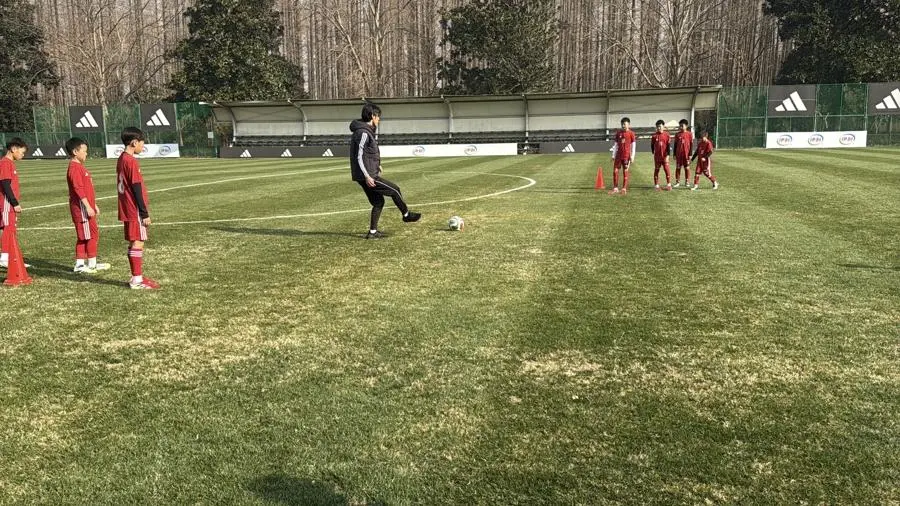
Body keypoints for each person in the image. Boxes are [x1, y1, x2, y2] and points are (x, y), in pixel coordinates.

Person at [349, 103, 421, 238]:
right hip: (368, 176)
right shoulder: (363, 133)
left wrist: (377, 165)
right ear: (372, 116)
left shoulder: (365, 131)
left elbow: (368, 153)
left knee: (378, 202)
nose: (379, 119)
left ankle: (372, 232)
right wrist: (367, 176)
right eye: (378, 117)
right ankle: (406, 215)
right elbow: (358, 156)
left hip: (367, 173)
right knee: (395, 190)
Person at [117, 127, 159, 289]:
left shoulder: (122, 158)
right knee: (138, 242)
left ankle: (137, 276)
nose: (143, 146)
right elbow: (136, 187)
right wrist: (144, 212)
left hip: (127, 206)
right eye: (142, 143)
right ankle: (137, 280)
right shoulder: (131, 161)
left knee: (134, 241)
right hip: (134, 208)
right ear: (134, 143)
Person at [66, 137, 110, 274]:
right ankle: (79, 265)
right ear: (75, 152)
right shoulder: (74, 168)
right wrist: (87, 206)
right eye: (84, 151)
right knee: (85, 236)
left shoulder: (80, 167)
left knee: (92, 234)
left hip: (87, 207)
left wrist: (93, 204)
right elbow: (78, 189)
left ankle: (92, 264)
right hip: (81, 209)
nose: (86, 153)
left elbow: (87, 189)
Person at [0, 138, 28, 270]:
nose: (23, 155)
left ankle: (12, 258)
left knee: (10, 228)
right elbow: (5, 184)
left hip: (8, 202)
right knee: (9, 228)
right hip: (6, 202)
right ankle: (5, 258)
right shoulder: (5, 163)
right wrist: (14, 202)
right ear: (13, 149)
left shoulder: (10, 163)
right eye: (22, 152)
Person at [608, 117, 636, 195]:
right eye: (622, 124)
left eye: (624, 124)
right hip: (618, 156)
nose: (623, 126)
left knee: (625, 171)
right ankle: (615, 188)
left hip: (626, 156)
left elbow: (633, 146)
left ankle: (624, 188)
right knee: (615, 171)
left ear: (628, 124)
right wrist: (613, 155)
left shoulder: (631, 133)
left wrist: (632, 156)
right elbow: (616, 145)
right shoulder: (618, 133)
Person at [650, 120, 673, 191]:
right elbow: (652, 145)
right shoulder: (654, 136)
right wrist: (654, 152)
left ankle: (669, 185)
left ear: (663, 126)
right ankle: (656, 185)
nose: (659, 128)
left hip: (665, 156)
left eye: (660, 126)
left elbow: (668, 146)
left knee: (666, 170)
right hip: (657, 157)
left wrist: (668, 156)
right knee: (657, 170)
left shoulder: (667, 135)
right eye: (657, 127)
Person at [673, 119, 693, 188]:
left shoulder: (689, 134)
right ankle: (677, 182)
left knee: (687, 168)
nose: (681, 127)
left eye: (682, 126)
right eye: (680, 126)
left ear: (686, 126)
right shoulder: (677, 134)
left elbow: (691, 144)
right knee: (678, 168)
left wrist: (690, 154)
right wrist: (674, 154)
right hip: (679, 155)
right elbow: (675, 145)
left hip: (686, 155)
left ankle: (687, 182)